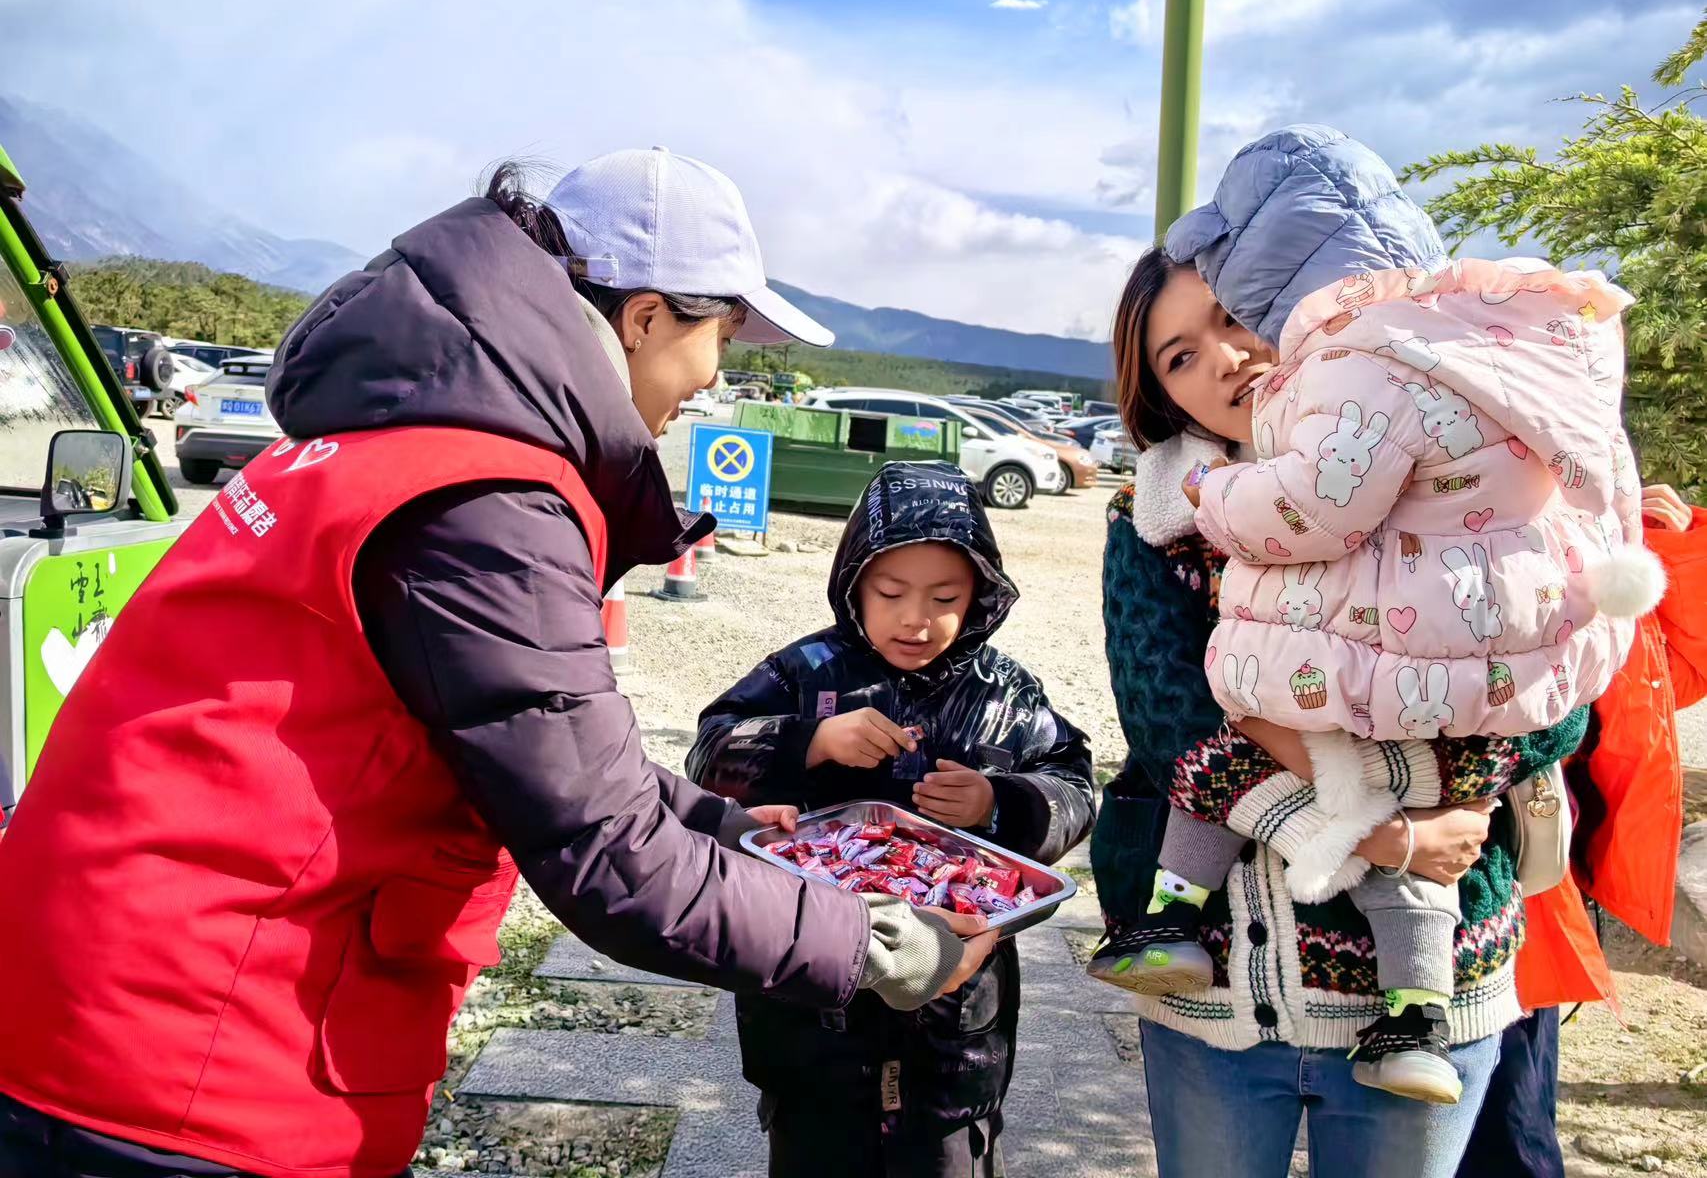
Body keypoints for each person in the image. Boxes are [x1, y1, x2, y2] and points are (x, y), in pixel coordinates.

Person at [0, 149, 995, 1178]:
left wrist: (728, 828)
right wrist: (879, 942)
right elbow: (608, 855)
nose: (715, 376)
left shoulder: (402, 435)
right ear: (647, 316)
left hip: (101, 984)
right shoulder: (491, 498)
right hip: (187, 1047)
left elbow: (542, 752)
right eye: (722, 335)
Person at [1088, 125, 1658, 1106]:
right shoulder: (1158, 524)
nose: (1224, 358)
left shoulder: (1471, 475)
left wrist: (1431, 763)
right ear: (1161, 396)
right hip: (1222, 981)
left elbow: (1554, 700)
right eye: (1181, 356)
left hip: (1444, 970)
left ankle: (1415, 1010)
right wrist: (1390, 834)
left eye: (1232, 318)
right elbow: (1172, 723)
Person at [687, 460, 1095, 1178]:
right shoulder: (803, 671)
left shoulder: (1004, 690)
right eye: (890, 591)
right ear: (853, 584)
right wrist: (810, 741)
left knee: (947, 1152)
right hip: (813, 986)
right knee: (815, 1146)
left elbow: (1072, 783)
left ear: (982, 597)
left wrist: (1000, 802)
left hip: (956, 1003)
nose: (916, 618)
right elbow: (710, 750)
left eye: (945, 596)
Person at [1461, 481, 1707, 1177]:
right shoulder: (1441, 551)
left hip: (1542, 887)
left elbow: (1679, 674)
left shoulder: (1597, 569)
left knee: (1507, 1121)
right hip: (1447, 879)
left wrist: (1671, 548)